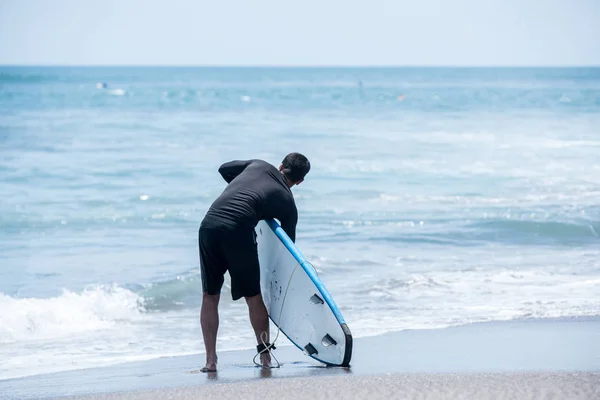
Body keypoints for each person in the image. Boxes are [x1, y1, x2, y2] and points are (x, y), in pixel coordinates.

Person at [198, 152, 311, 372]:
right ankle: (265, 358)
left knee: (209, 295)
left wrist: (243, 186)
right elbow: (288, 247)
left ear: (281, 166)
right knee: (253, 296)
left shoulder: (257, 164)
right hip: (238, 231)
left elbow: (224, 168)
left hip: (208, 225)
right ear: (300, 181)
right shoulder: (288, 202)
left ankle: (210, 362)